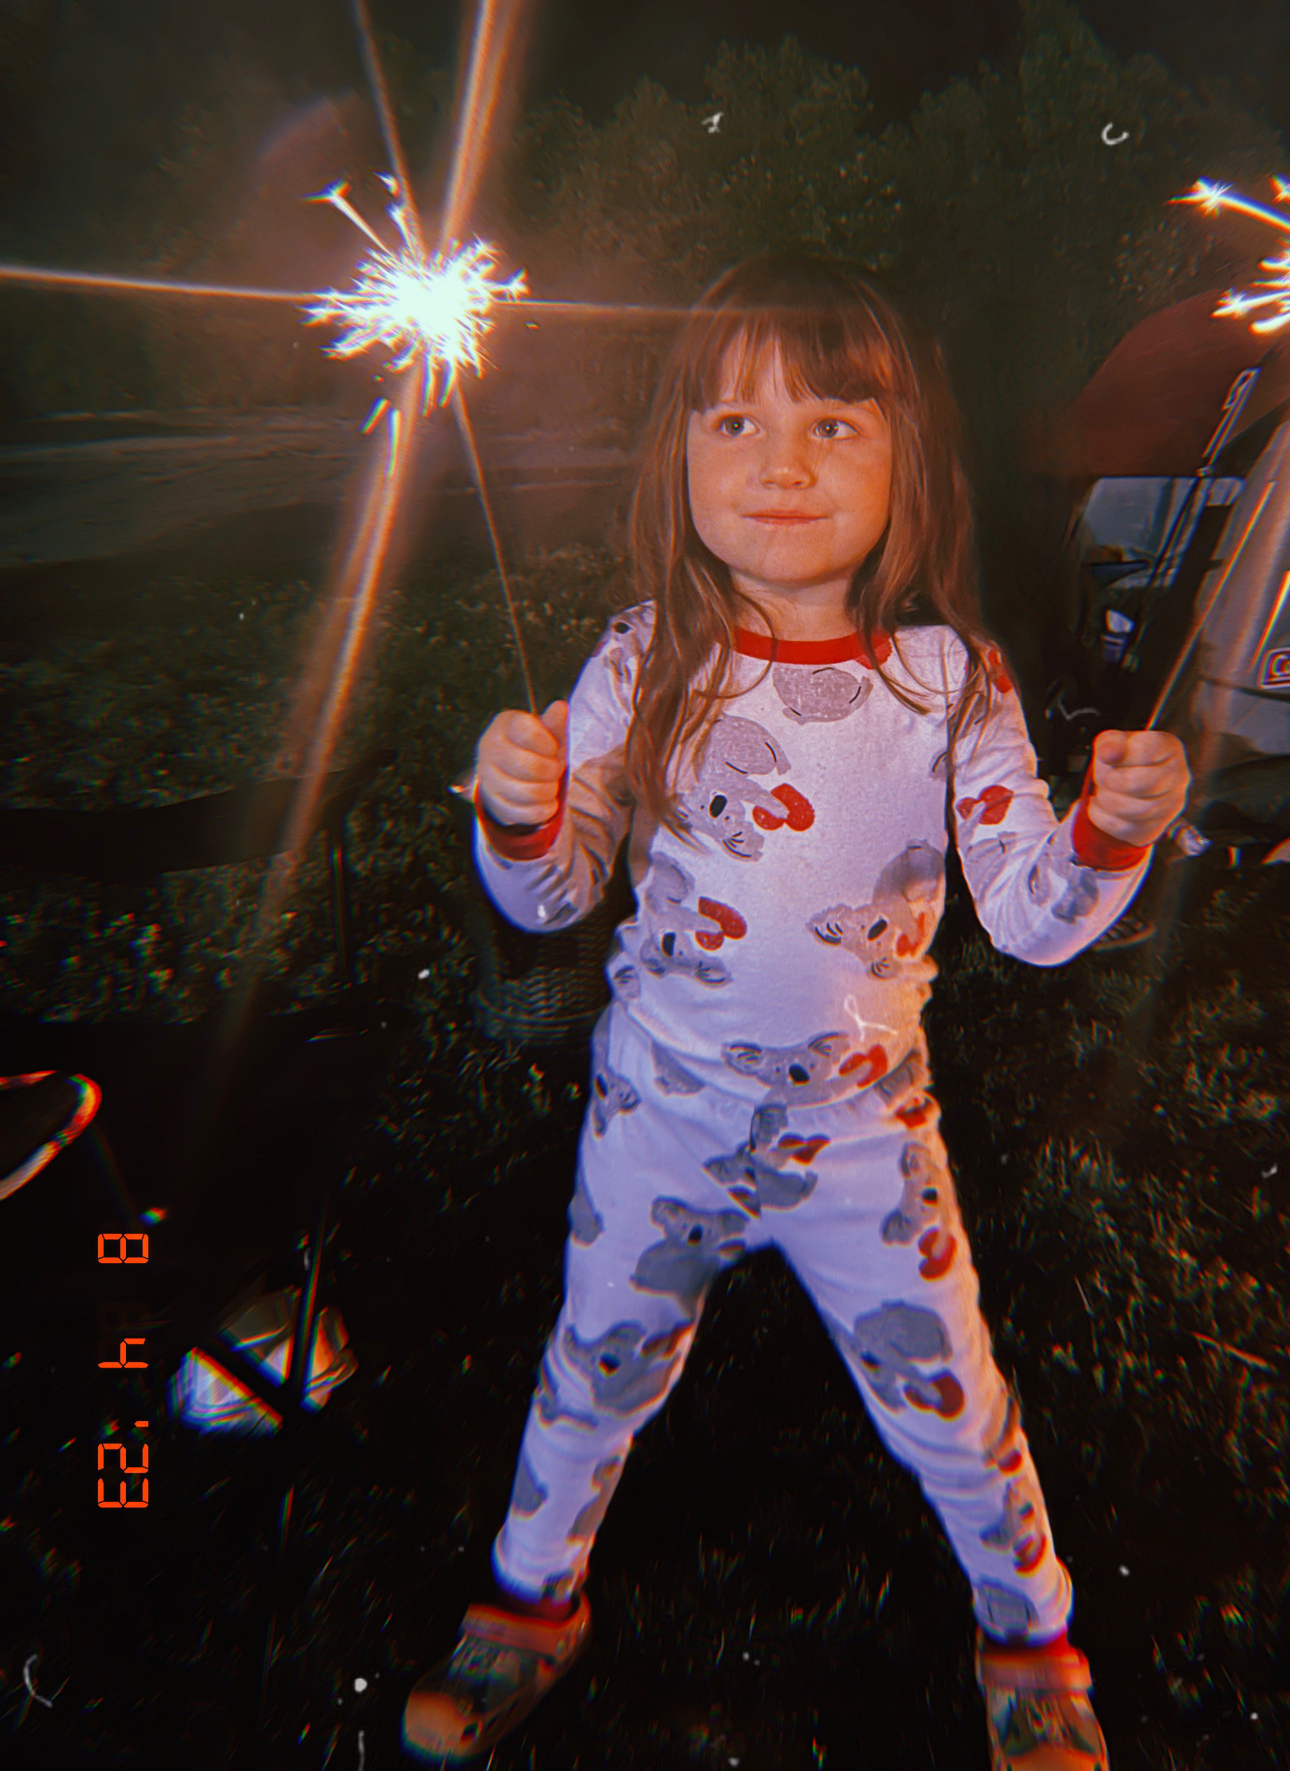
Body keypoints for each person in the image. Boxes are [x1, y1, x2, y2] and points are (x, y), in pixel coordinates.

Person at [401, 255, 1190, 1770]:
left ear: (911, 462)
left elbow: (1033, 924)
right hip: (661, 1114)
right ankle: (524, 1603)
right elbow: (552, 900)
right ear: (678, 457)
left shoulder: (951, 683)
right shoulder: (641, 660)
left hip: (861, 1136)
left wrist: (1110, 833)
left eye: (835, 423)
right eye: (734, 422)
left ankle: (1031, 1640)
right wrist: (521, 813)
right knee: (591, 1372)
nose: (781, 463)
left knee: (954, 1400)